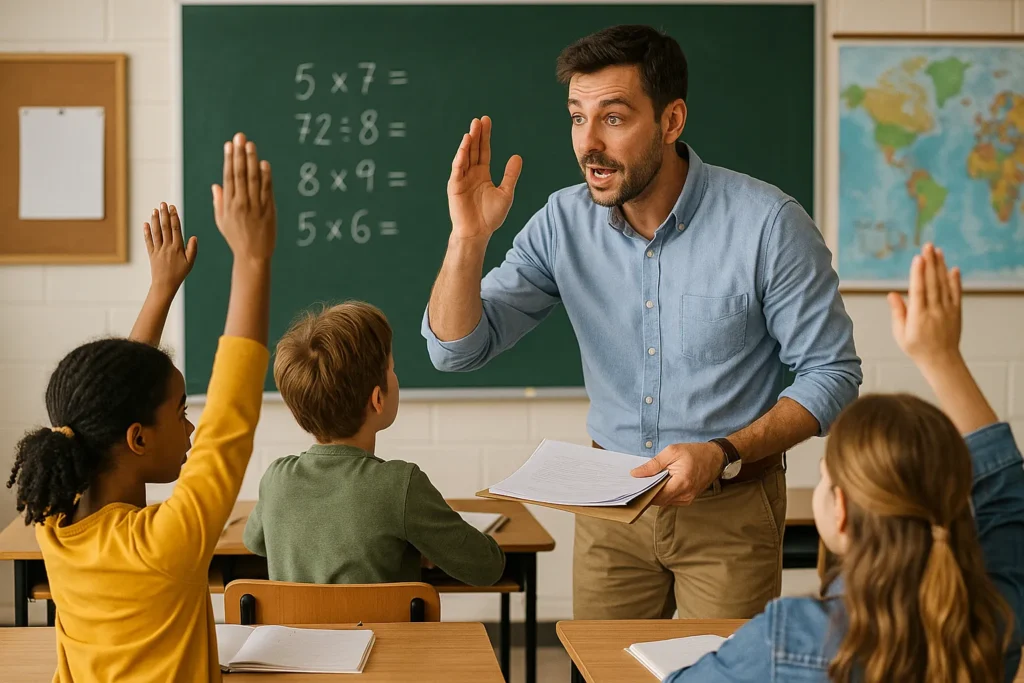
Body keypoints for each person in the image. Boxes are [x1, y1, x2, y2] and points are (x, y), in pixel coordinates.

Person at [421, 23, 861, 620]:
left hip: (730, 506)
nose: (588, 144)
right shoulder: (561, 222)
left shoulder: (768, 224)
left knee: (720, 664)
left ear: (671, 121)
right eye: (577, 118)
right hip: (609, 510)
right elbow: (454, 350)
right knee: (601, 665)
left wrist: (723, 451)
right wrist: (467, 238)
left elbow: (832, 374)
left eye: (613, 118)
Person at [667, 244, 1024, 682]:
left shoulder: (788, 640)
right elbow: (1005, 497)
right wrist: (941, 358)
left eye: (825, 477)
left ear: (841, 510)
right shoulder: (996, 617)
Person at [7, 133, 277, 682]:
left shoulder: (55, 527)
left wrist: (161, 290)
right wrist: (252, 259)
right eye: (180, 411)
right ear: (137, 438)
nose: (193, 427)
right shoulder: (166, 543)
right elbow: (230, 420)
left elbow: (109, 399)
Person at [243, 301, 505, 586]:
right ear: (377, 399)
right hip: (385, 620)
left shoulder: (277, 479)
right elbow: (487, 567)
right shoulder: (400, 485)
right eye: (392, 368)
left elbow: (254, 542)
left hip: (296, 619)